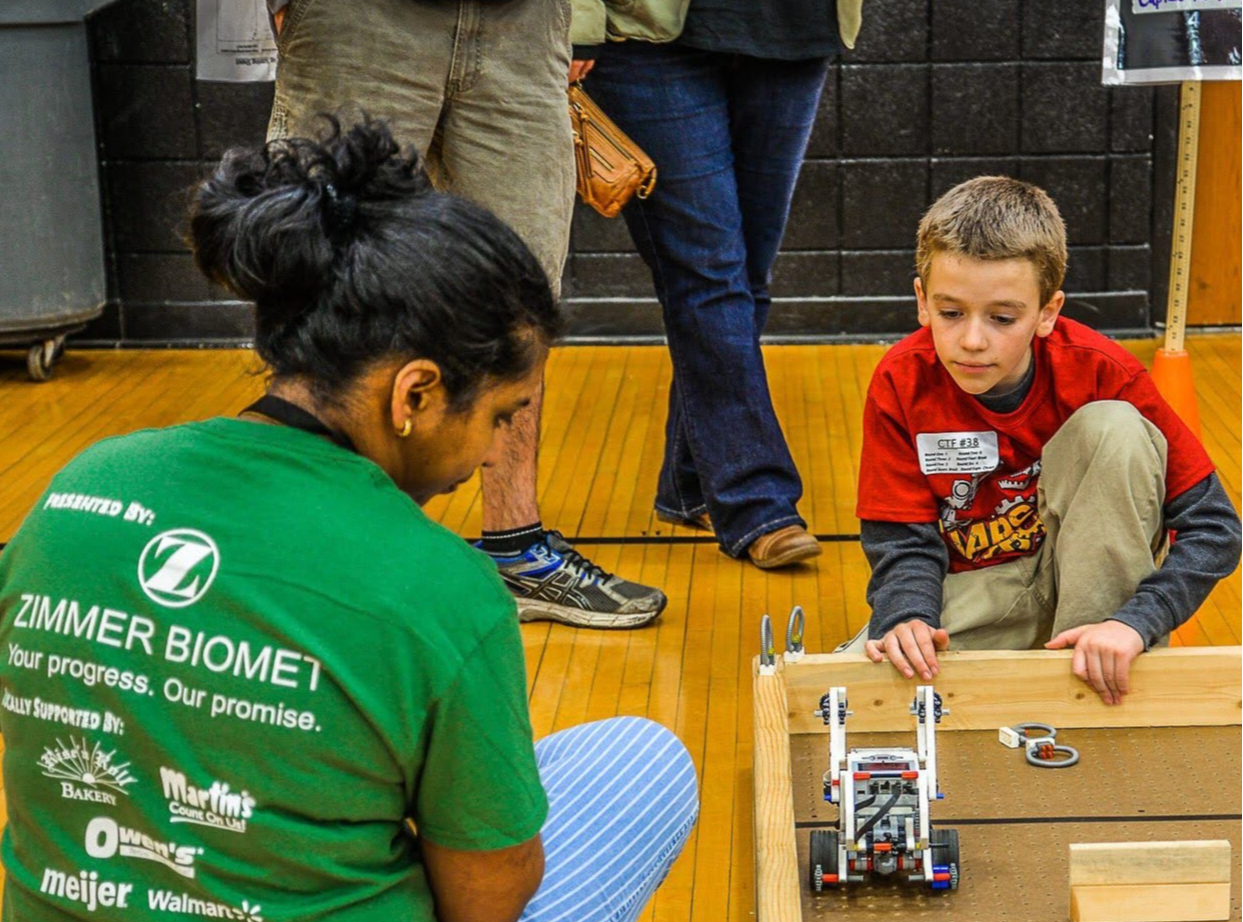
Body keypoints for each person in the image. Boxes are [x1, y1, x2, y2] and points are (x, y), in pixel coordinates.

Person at [0, 120, 698, 922]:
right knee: (645, 761)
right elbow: (485, 910)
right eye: (502, 415)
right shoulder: (440, 585)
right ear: (414, 394)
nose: (489, 455)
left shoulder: (79, 487)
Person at [266, 0, 666, 629]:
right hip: (359, 21)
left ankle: (517, 551)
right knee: (331, 286)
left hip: (523, 26)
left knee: (522, 300)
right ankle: (326, 556)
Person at [845, 176, 1242, 703]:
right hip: (986, 591)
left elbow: (1214, 528)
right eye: (950, 313)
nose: (972, 339)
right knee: (849, 687)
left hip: (1101, 604)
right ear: (921, 301)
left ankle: (1101, 670)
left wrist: (1137, 621)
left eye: (1003, 318)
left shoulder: (1103, 372)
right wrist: (907, 616)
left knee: (1113, 426)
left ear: (1048, 313)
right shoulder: (901, 381)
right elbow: (902, 540)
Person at [572, 0, 866, 569]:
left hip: (795, 32)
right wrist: (579, 23)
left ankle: (690, 485)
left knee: (746, 276)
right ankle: (758, 502)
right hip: (647, 40)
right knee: (708, 274)